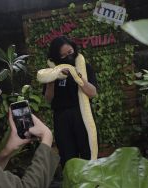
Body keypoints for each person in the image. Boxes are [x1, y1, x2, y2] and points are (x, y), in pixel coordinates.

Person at [43, 36, 98, 167]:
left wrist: (77, 76)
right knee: (67, 157)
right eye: (63, 56)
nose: (68, 57)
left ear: (74, 49)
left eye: (70, 52)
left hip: (82, 116)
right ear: (57, 58)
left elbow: (92, 93)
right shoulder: (52, 72)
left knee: (88, 154)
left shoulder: (85, 67)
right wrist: (51, 82)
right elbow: (48, 99)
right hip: (61, 118)